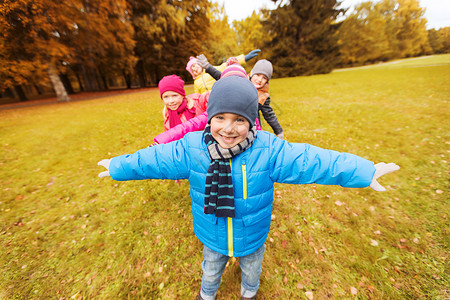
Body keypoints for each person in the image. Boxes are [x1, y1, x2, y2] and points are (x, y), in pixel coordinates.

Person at [97, 76, 400, 299]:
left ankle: (249, 292)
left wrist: (364, 171)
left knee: (252, 268)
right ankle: (207, 294)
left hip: (251, 233)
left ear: (253, 122)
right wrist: (117, 166)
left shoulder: (268, 150)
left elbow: (314, 161)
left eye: (239, 120)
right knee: (211, 267)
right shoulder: (191, 149)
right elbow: (153, 160)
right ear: (209, 119)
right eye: (220, 118)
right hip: (212, 232)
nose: (228, 128)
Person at [198, 56, 284, 139]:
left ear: (267, 82)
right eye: (257, 75)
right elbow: (221, 76)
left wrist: (278, 131)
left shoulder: (263, 96)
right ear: (252, 74)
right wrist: (208, 67)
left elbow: (269, 115)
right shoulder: (241, 81)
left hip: (250, 127)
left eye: (264, 78)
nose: (260, 79)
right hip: (231, 122)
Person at [186, 49, 261, 94]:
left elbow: (227, 64)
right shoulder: (196, 82)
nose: (194, 69)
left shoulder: (212, 69)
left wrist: (245, 58)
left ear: (201, 63)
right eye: (192, 70)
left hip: (219, 95)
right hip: (206, 103)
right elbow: (197, 95)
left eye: (194, 65)